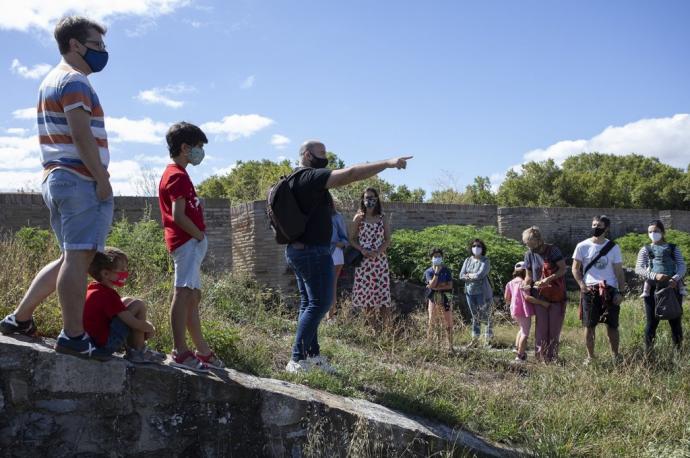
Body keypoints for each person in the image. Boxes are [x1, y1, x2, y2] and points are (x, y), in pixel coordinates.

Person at [1, 16, 114, 359]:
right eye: (97, 45)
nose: (103, 52)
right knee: (78, 258)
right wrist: (102, 178)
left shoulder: (51, 80)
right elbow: (81, 135)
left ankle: (19, 320)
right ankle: (74, 336)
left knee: (70, 256)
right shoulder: (74, 81)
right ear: (75, 45)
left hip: (57, 177)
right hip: (79, 178)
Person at [284, 140, 411, 373]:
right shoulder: (309, 177)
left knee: (309, 303)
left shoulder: (293, 179)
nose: (326, 156)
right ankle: (297, 358)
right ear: (307, 155)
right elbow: (351, 174)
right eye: (322, 153)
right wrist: (388, 163)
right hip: (312, 251)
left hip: (300, 250)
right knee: (320, 303)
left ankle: (311, 356)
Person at [158, 122, 224, 373]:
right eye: (198, 147)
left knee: (193, 297)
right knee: (183, 293)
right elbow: (178, 215)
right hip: (186, 243)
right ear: (185, 148)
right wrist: (198, 236)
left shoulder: (179, 174)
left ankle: (202, 351)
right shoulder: (176, 175)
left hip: (189, 243)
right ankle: (180, 351)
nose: (200, 152)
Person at [83, 247, 164, 363]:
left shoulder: (94, 288)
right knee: (138, 305)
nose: (125, 273)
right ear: (105, 273)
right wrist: (150, 328)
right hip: (104, 346)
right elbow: (134, 323)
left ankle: (134, 348)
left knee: (126, 300)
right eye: (121, 270)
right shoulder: (108, 295)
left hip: (91, 341)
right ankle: (139, 351)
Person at [572, 215, 626, 364]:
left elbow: (619, 272)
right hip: (590, 290)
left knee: (612, 325)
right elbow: (575, 269)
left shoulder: (613, 247)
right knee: (589, 326)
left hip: (610, 289)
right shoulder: (582, 246)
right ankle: (590, 357)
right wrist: (582, 285)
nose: (596, 228)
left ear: (606, 228)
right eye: (594, 225)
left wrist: (621, 292)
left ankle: (615, 356)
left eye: (600, 226)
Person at [634, 220, 686, 353]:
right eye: (650, 231)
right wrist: (654, 276)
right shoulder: (645, 249)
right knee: (652, 323)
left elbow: (681, 266)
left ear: (663, 232)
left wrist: (675, 279)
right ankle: (649, 354)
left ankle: (678, 353)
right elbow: (639, 268)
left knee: (675, 322)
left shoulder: (673, 248)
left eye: (656, 231)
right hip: (653, 288)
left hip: (672, 288)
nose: (653, 234)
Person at [521, 226, 567, 363]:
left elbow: (563, 269)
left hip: (556, 294)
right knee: (541, 329)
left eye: (531, 244)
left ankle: (553, 358)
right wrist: (525, 286)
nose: (530, 247)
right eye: (527, 245)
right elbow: (529, 275)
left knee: (554, 329)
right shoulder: (529, 254)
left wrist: (548, 279)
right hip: (538, 295)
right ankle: (541, 358)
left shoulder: (553, 250)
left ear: (539, 240)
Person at [350, 188, 393, 323]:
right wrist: (362, 250)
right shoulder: (359, 218)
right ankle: (373, 331)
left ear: (377, 199)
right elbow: (351, 239)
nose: (370, 200)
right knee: (367, 299)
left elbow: (388, 239)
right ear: (363, 199)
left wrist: (378, 252)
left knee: (383, 299)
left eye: (373, 197)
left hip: (380, 262)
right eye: (367, 197)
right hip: (364, 263)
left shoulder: (382, 218)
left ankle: (386, 332)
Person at [459, 238, 493, 345]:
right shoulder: (467, 260)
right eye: (474, 246)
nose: (476, 248)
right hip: (469, 292)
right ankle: (475, 339)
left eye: (479, 246)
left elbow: (481, 274)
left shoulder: (485, 260)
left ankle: (488, 340)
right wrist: (471, 276)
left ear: (482, 248)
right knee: (475, 316)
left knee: (486, 315)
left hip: (482, 291)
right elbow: (461, 275)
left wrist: (468, 275)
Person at [424, 248, 454, 350]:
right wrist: (436, 274)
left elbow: (450, 285)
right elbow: (431, 285)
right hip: (433, 297)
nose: (437, 258)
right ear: (431, 258)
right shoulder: (428, 271)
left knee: (448, 321)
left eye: (439, 256)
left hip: (446, 296)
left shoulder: (446, 270)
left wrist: (437, 287)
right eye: (435, 256)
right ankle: (430, 344)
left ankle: (450, 346)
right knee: (432, 320)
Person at [325, 197, 349, 321]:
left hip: (335, 253)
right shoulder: (315, 216)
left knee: (331, 285)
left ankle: (330, 317)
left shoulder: (336, 216)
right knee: (322, 286)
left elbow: (345, 238)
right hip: (320, 254)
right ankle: (325, 317)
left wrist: (339, 244)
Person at [505, 262, 533, 363]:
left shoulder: (510, 283)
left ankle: (516, 348)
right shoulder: (524, 283)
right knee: (525, 332)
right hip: (524, 310)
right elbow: (527, 297)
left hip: (514, 310)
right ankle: (520, 355)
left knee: (521, 329)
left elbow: (506, 298)